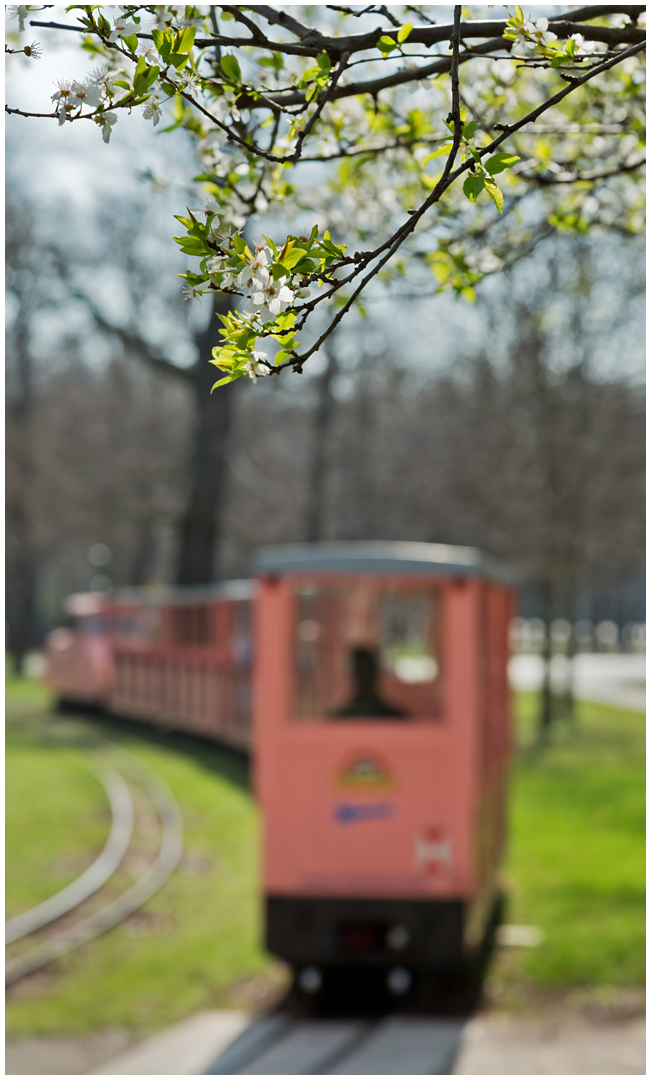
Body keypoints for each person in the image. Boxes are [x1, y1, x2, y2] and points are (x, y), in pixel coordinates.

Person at [333, 646, 407, 719]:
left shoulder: (338, 719)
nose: (364, 673)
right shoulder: (396, 717)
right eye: (361, 669)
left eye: (367, 669)